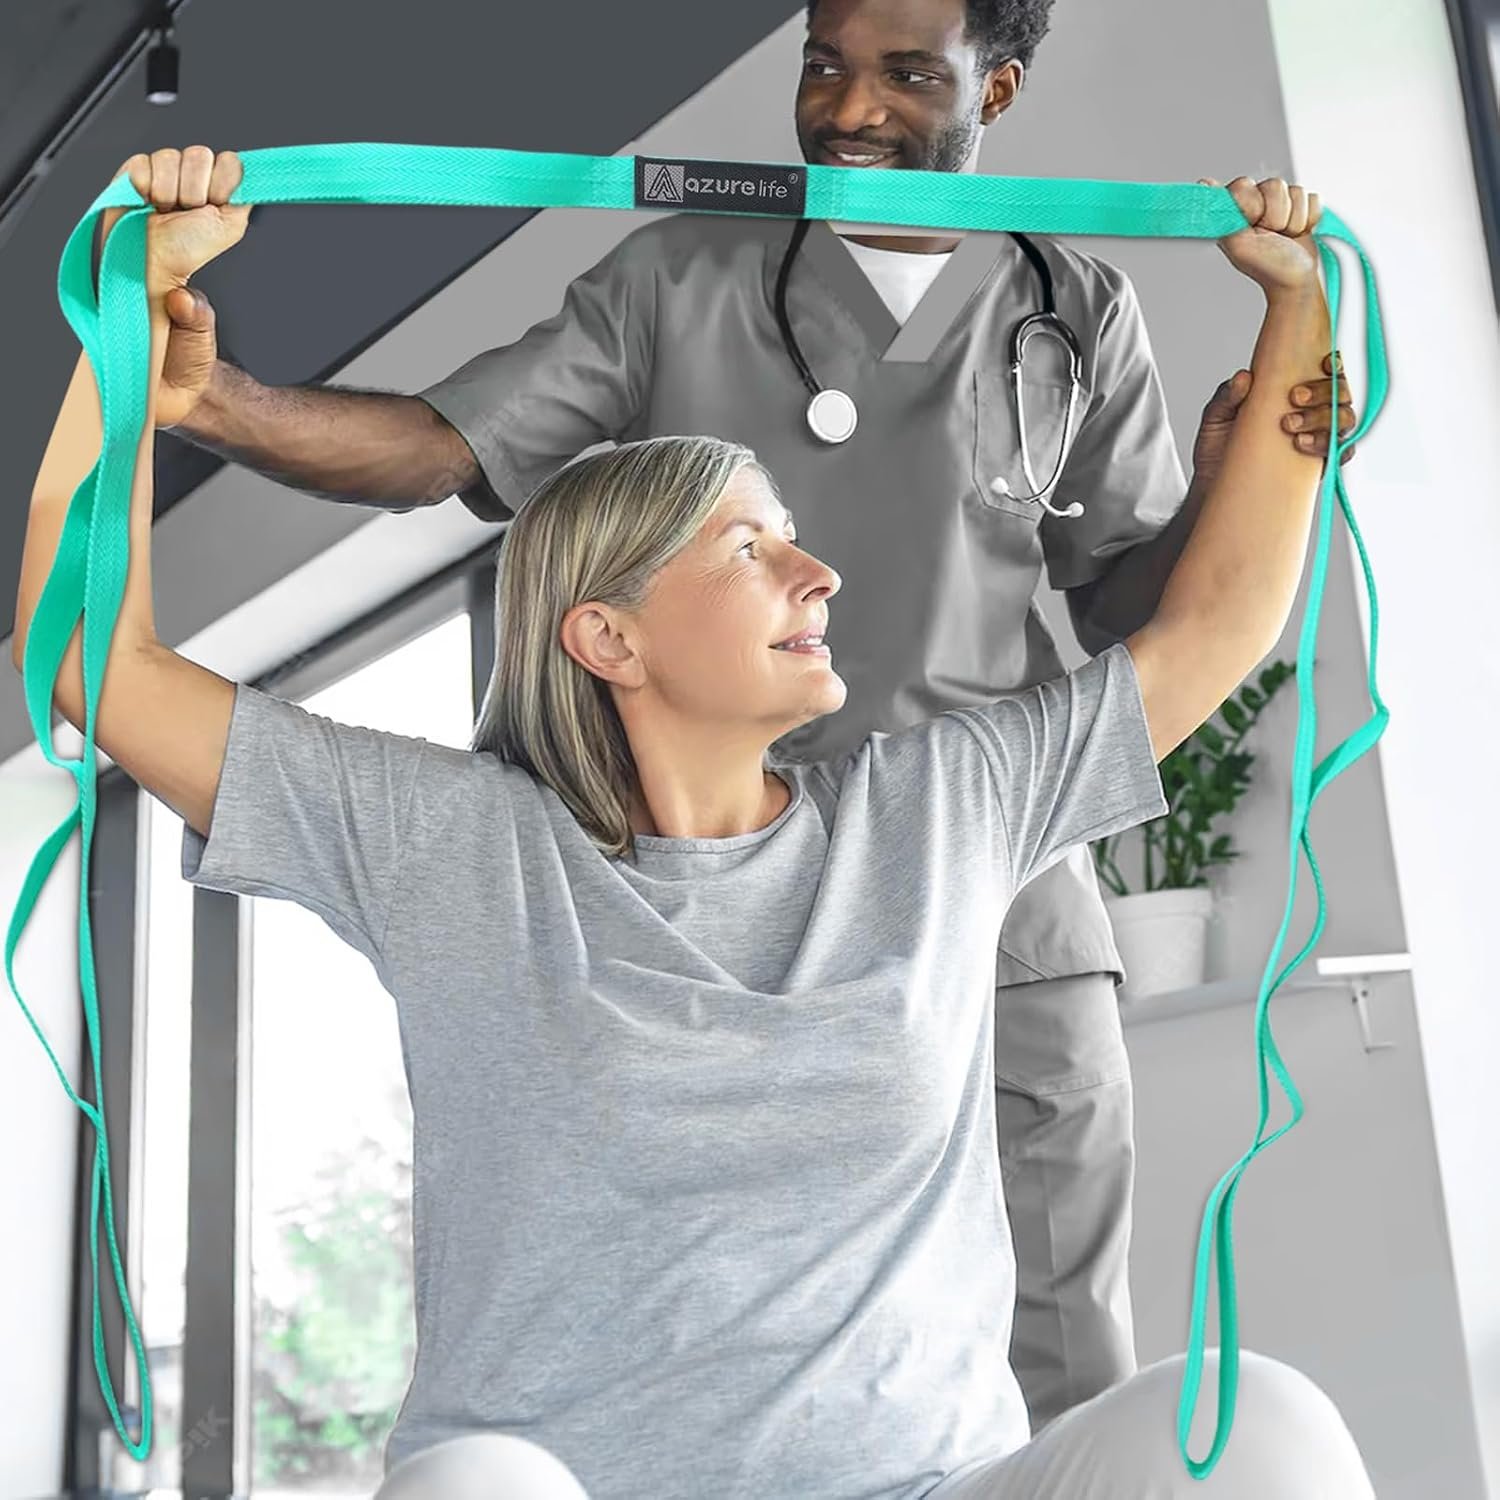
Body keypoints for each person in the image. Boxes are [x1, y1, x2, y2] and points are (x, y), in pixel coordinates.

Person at [15, 145, 1373, 1499]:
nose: (817, 571)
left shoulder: (939, 812)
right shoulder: (454, 848)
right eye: (748, 547)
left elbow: (1213, 627)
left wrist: (1299, 304)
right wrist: (126, 337)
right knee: (475, 1489)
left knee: (1264, 1423)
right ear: (608, 636)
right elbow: (95, 664)